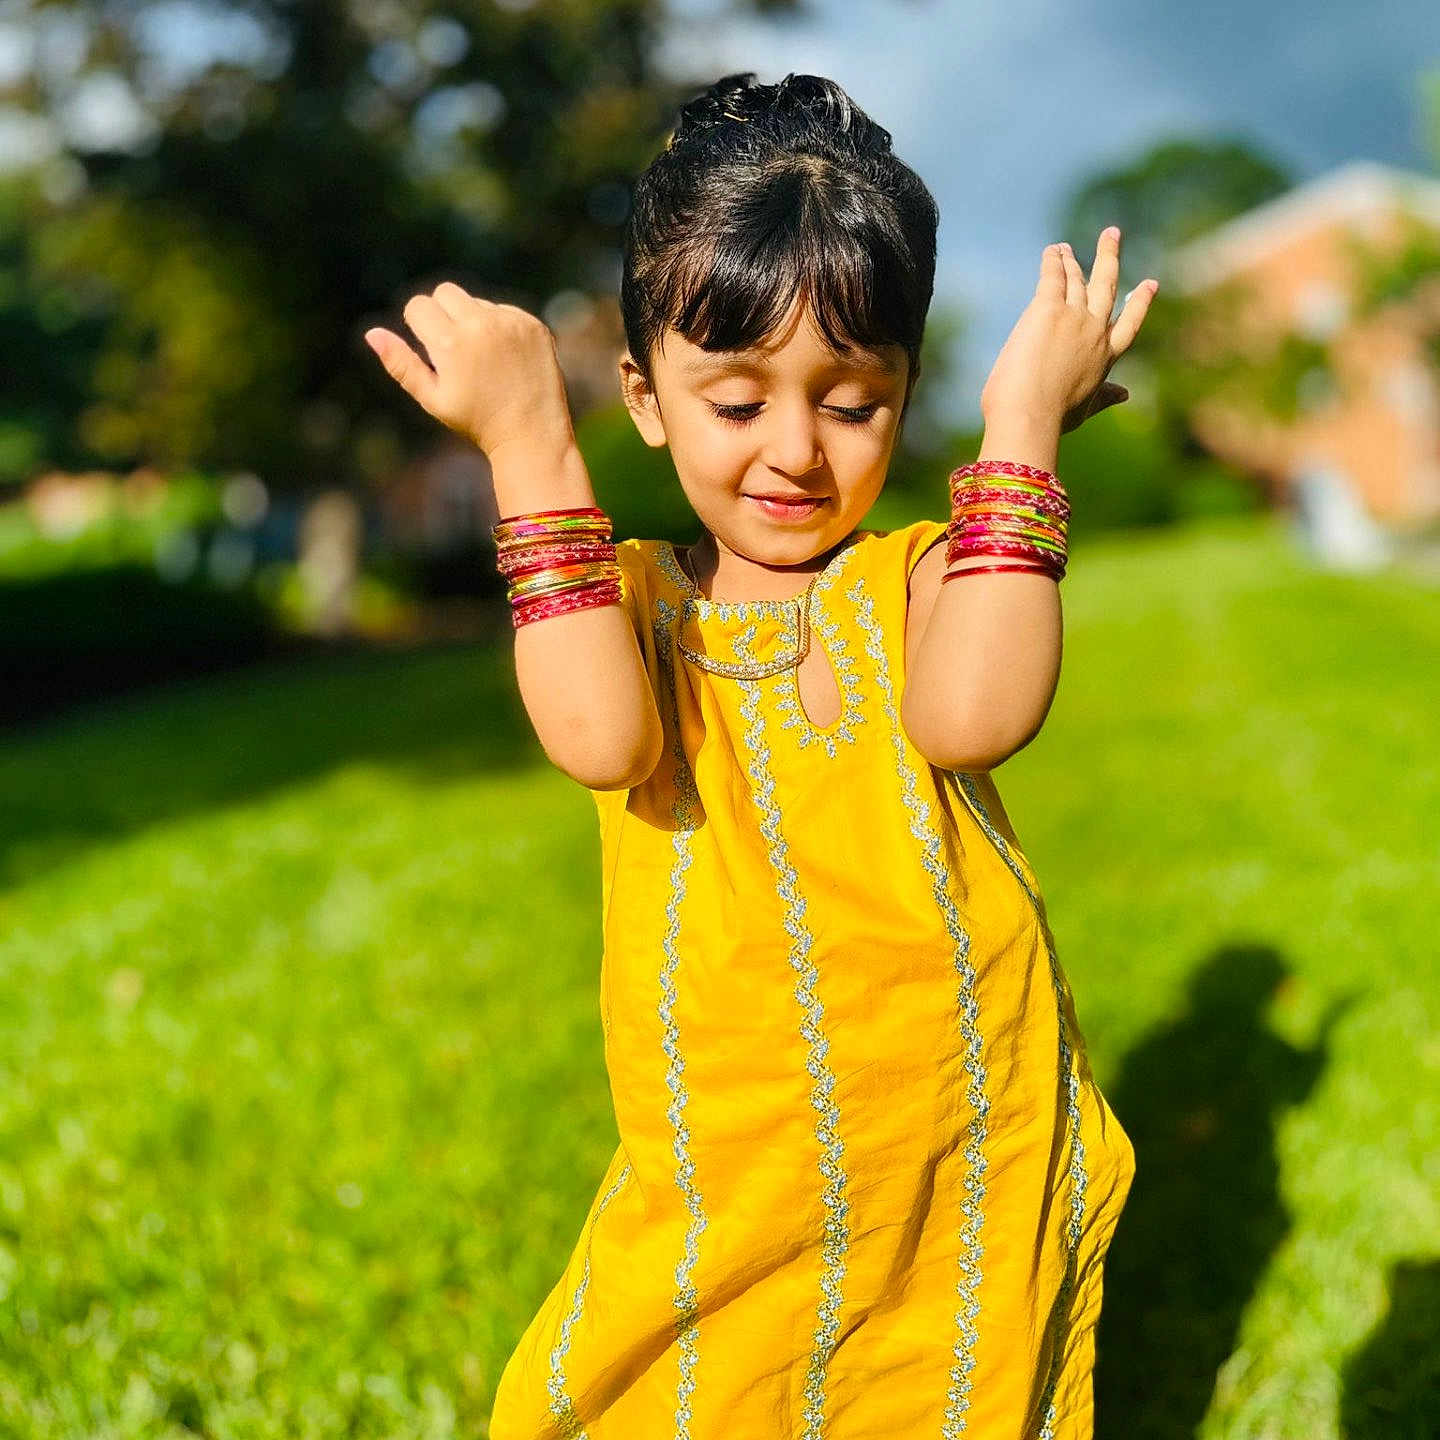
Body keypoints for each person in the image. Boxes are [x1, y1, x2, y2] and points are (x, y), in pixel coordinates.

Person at [365, 69, 1157, 1440]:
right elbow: (602, 738)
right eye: (736, 401)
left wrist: (1024, 427)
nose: (795, 450)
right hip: (728, 1165)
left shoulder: (916, 582)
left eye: (853, 402)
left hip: (951, 1148)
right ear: (648, 398)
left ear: (907, 393)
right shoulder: (625, 604)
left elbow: (978, 717)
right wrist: (529, 442)